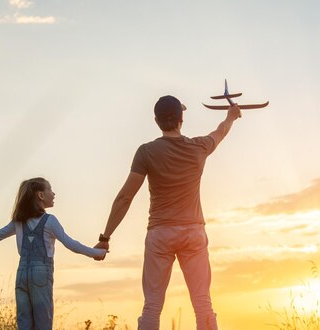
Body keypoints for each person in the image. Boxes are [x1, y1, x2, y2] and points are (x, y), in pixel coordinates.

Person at [94, 95, 241, 330]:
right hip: (193, 232)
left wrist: (105, 238)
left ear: (156, 121)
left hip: (160, 234)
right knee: (202, 303)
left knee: (152, 305)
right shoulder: (199, 147)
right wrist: (231, 116)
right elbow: (220, 132)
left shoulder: (146, 152)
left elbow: (125, 198)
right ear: (182, 119)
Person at [0, 177, 106, 330]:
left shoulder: (19, 222)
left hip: (22, 274)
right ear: (40, 195)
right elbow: (70, 244)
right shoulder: (50, 221)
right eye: (50, 189)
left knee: (24, 323)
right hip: (41, 274)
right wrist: (96, 253)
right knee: (43, 322)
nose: (54, 193)